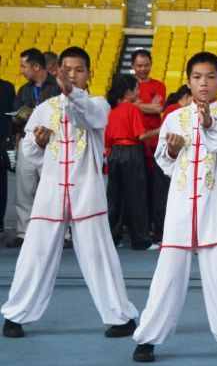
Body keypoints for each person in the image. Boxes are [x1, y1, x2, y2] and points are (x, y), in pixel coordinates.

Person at [2, 47, 138, 339]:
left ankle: (120, 316)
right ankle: (15, 314)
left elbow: (88, 117)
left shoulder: (98, 105)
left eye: (79, 70)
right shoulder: (44, 109)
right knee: (35, 253)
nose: (73, 75)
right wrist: (37, 144)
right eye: (67, 69)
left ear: (89, 74)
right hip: (50, 194)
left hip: (87, 193)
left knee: (99, 255)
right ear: (58, 70)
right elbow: (29, 151)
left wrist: (71, 94)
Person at [132, 52, 217, 363]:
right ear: (188, 81)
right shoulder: (174, 117)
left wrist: (207, 121)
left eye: (211, 77)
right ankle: (147, 338)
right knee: (167, 275)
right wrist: (173, 150)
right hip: (180, 209)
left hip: (216, 207)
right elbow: (164, 162)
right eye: (198, 77)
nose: (204, 83)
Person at [10, 48, 59, 248]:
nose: (21, 70)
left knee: (54, 189)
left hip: (53, 140)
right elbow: (15, 117)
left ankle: (60, 234)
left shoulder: (57, 87)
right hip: (28, 139)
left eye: (24, 65)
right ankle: (24, 233)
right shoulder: (24, 90)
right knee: (24, 188)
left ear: (36, 66)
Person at [105, 74, 157, 250]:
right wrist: (158, 130)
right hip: (132, 153)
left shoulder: (112, 110)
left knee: (115, 197)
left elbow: (108, 139)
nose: (138, 91)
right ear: (128, 92)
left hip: (114, 154)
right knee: (136, 197)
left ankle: (112, 237)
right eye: (136, 88)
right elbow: (141, 135)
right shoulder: (132, 109)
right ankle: (140, 239)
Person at [130, 49, 166, 242]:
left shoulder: (158, 85)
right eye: (139, 65)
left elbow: (158, 108)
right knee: (136, 188)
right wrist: (146, 105)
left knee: (155, 187)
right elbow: (149, 106)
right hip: (133, 142)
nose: (143, 69)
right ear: (133, 67)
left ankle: (154, 227)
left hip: (153, 142)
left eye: (146, 65)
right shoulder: (129, 85)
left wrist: (135, 104)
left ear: (151, 64)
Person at [150, 86, 192, 248]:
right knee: (166, 199)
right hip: (171, 161)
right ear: (187, 96)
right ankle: (163, 234)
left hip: (171, 158)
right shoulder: (175, 112)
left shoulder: (172, 110)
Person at [0, 67, 15, 234]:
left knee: (1, 184)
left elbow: (11, 115)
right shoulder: (7, 87)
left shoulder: (7, 88)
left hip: (1, 141)